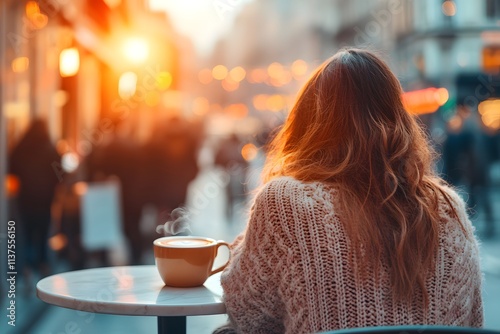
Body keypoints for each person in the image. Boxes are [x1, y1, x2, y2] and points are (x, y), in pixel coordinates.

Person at [216, 49, 483, 334]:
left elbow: (246, 312)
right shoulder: (449, 207)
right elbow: (473, 321)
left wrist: (248, 244)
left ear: (307, 127)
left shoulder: (284, 202)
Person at [9, 119, 61, 281]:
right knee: (43, 232)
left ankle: (27, 270)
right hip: (45, 200)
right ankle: (42, 265)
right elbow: (59, 174)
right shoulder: (50, 149)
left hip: (26, 200)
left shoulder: (22, 148)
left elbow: (11, 167)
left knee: (28, 234)